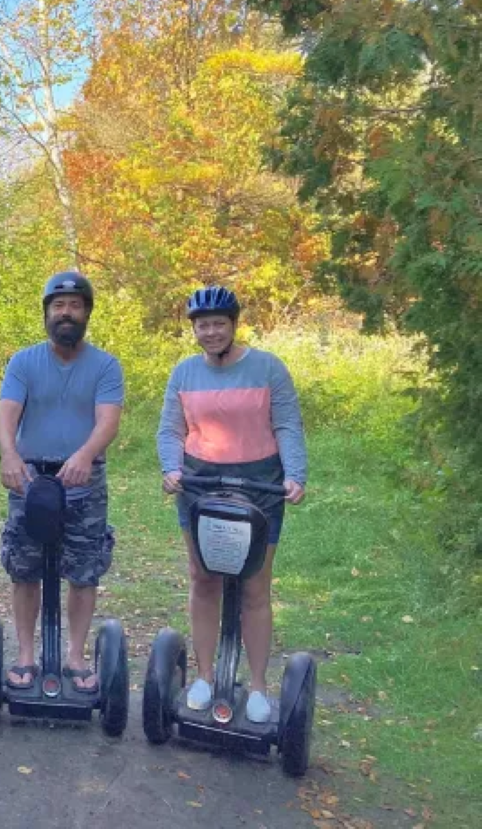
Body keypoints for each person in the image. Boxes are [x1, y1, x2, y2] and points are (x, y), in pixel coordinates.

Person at [157, 286, 307, 723]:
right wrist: (172, 468)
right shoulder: (184, 373)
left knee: (255, 586)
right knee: (203, 578)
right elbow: (170, 430)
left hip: (260, 484)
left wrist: (295, 474)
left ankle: (258, 686)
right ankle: (204, 677)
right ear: (194, 329)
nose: (211, 332)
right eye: (203, 325)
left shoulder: (267, 368)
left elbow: (287, 424)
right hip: (200, 482)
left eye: (218, 323)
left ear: (234, 324)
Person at [0, 272, 123, 692]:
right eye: (58, 306)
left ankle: (75, 655)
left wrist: (85, 455)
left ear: (86, 312)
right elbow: (7, 413)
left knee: (84, 571)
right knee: (24, 567)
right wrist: (10, 455)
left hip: (83, 481)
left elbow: (108, 421)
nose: (65, 313)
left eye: (74, 305)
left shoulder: (105, 365)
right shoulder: (24, 361)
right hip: (30, 478)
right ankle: (27, 655)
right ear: (47, 313)